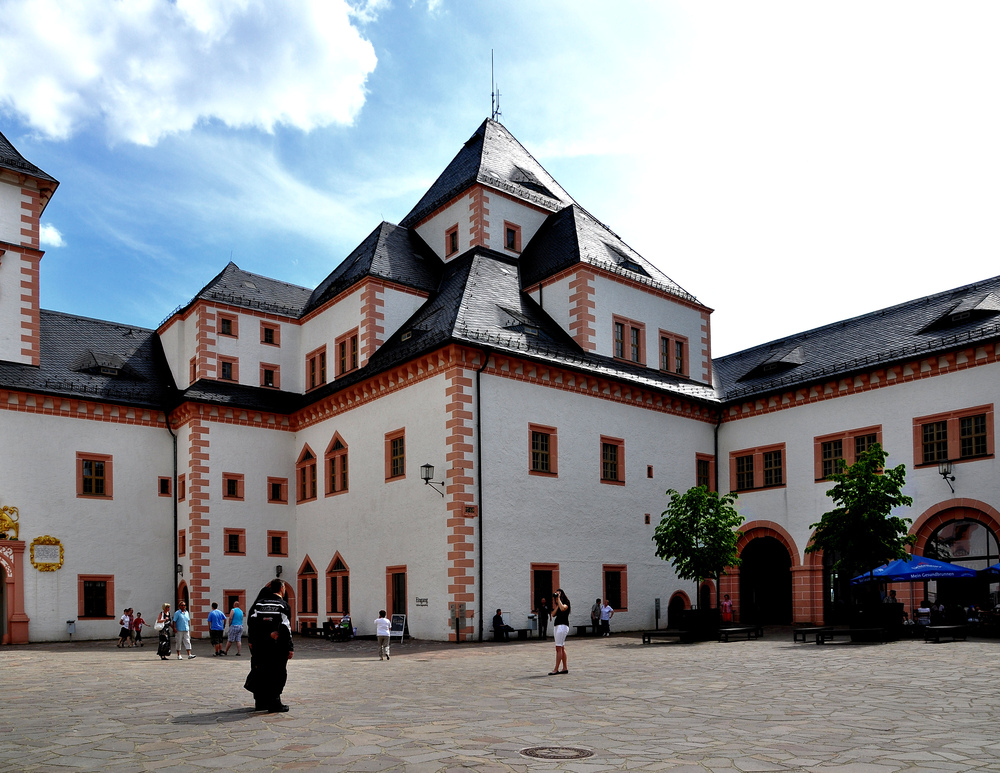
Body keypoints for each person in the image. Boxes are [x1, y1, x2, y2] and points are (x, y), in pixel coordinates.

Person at [246, 579, 294, 712]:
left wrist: (256, 639)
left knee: (260, 671)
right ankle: (274, 703)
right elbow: (286, 627)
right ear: (282, 588)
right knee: (277, 673)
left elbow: (252, 623)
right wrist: (290, 647)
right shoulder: (283, 605)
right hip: (277, 646)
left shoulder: (258, 604)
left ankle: (260, 702)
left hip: (259, 645)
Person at [549, 589, 570, 675]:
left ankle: (556, 669)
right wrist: (557, 604)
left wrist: (559, 600)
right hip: (557, 626)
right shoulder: (558, 604)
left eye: (559, 593)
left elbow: (562, 609)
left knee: (558, 648)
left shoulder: (566, 603)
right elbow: (553, 614)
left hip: (563, 626)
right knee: (561, 647)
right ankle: (564, 668)